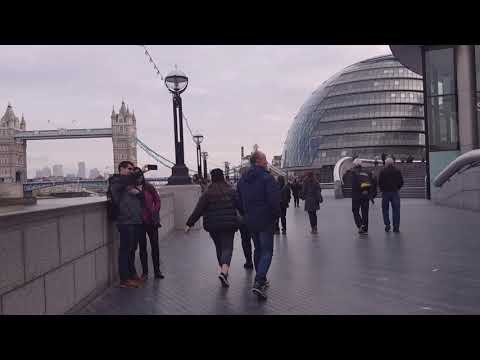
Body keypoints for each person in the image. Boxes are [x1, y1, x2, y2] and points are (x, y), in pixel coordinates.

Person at [237, 150, 280, 300]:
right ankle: (259, 280)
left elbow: (238, 200)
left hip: (250, 220)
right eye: (264, 159)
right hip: (266, 220)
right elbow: (274, 201)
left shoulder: (242, 180)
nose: (266, 162)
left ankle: (260, 277)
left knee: (258, 249)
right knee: (267, 251)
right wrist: (276, 216)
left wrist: (246, 214)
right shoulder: (267, 178)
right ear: (258, 161)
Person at [186, 168, 239, 288]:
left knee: (219, 248)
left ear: (212, 178)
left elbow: (198, 210)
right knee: (227, 248)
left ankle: (223, 271)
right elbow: (240, 206)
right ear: (223, 177)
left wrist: (189, 223)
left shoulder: (207, 193)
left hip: (213, 226)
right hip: (228, 224)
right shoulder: (231, 191)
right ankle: (224, 272)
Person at [108, 161, 145, 288]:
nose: (131, 171)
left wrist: (140, 179)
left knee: (132, 250)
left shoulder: (130, 183)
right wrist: (140, 171)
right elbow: (123, 184)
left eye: (132, 169)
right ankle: (124, 279)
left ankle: (132, 274)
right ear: (121, 169)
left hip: (135, 220)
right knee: (125, 251)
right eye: (129, 169)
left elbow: (141, 195)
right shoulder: (116, 181)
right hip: (125, 220)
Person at [132, 167, 165, 280]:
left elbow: (157, 200)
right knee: (142, 248)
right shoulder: (131, 189)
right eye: (137, 177)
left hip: (152, 221)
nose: (139, 179)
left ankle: (157, 271)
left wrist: (155, 210)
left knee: (155, 247)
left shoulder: (149, 187)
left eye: (140, 176)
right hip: (139, 222)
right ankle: (145, 273)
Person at [350, 159, 377, 235]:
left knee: (355, 211)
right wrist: (369, 192)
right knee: (365, 212)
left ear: (355, 165)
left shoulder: (354, 172)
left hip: (356, 196)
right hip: (365, 195)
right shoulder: (367, 172)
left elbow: (354, 185)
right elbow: (373, 182)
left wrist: (360, 190)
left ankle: (360, 225)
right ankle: (365, 229)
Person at [378, 157, 404, 233]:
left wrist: (382, 189)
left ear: (386, 163)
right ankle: (396, 227)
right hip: (395, 192)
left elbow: (380, 182)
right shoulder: (397, 171)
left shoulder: (382, 171)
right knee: (396, 210)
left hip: (385, 193)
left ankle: (387, 225)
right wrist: (397, 188)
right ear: (393, 163)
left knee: (385, 210)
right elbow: (401, 182)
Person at [238, 166, 254, 269]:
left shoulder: (240, 183)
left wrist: (241, 212)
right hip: (256, 216)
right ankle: (258, 260)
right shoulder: (257, 182)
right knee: (257, 240)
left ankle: (249, 261)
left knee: (245, 240)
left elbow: (237, 200)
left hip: (244, 217)